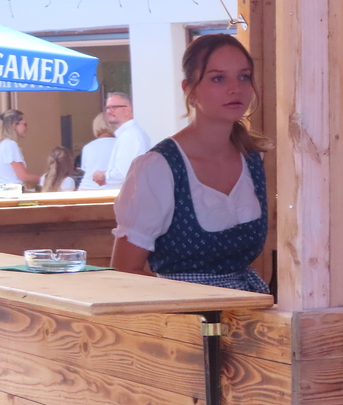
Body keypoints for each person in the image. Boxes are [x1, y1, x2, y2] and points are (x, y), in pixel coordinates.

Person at [111, 34, 270, 293]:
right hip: (183, 310)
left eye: (244, 77)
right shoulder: (159, 167)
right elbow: (125, 271)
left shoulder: (253, 158)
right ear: (189, 90)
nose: (235, 89)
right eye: (218, 78)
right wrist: (193, 301)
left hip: (249, 306)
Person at [93, 92, 150, 189]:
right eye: (107, 108)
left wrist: (103, 176)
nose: (109, 111)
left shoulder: (130, 135)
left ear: (128, 110)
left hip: (129, 195)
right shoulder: (129, 134)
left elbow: (123, 173)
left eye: (114, 107)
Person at [0, 109, 40, 188]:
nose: (27, 128)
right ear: (15, 125)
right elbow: (24, 176)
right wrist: (45, 179)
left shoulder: (3, 144)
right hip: (11, 192)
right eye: (24, 124)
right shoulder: (10, 145)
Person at [77, 113, 116, 190]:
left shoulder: (88, 147)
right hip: (111, 189)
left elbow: (85, 169)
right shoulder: (120, 144)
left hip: (86, 189)